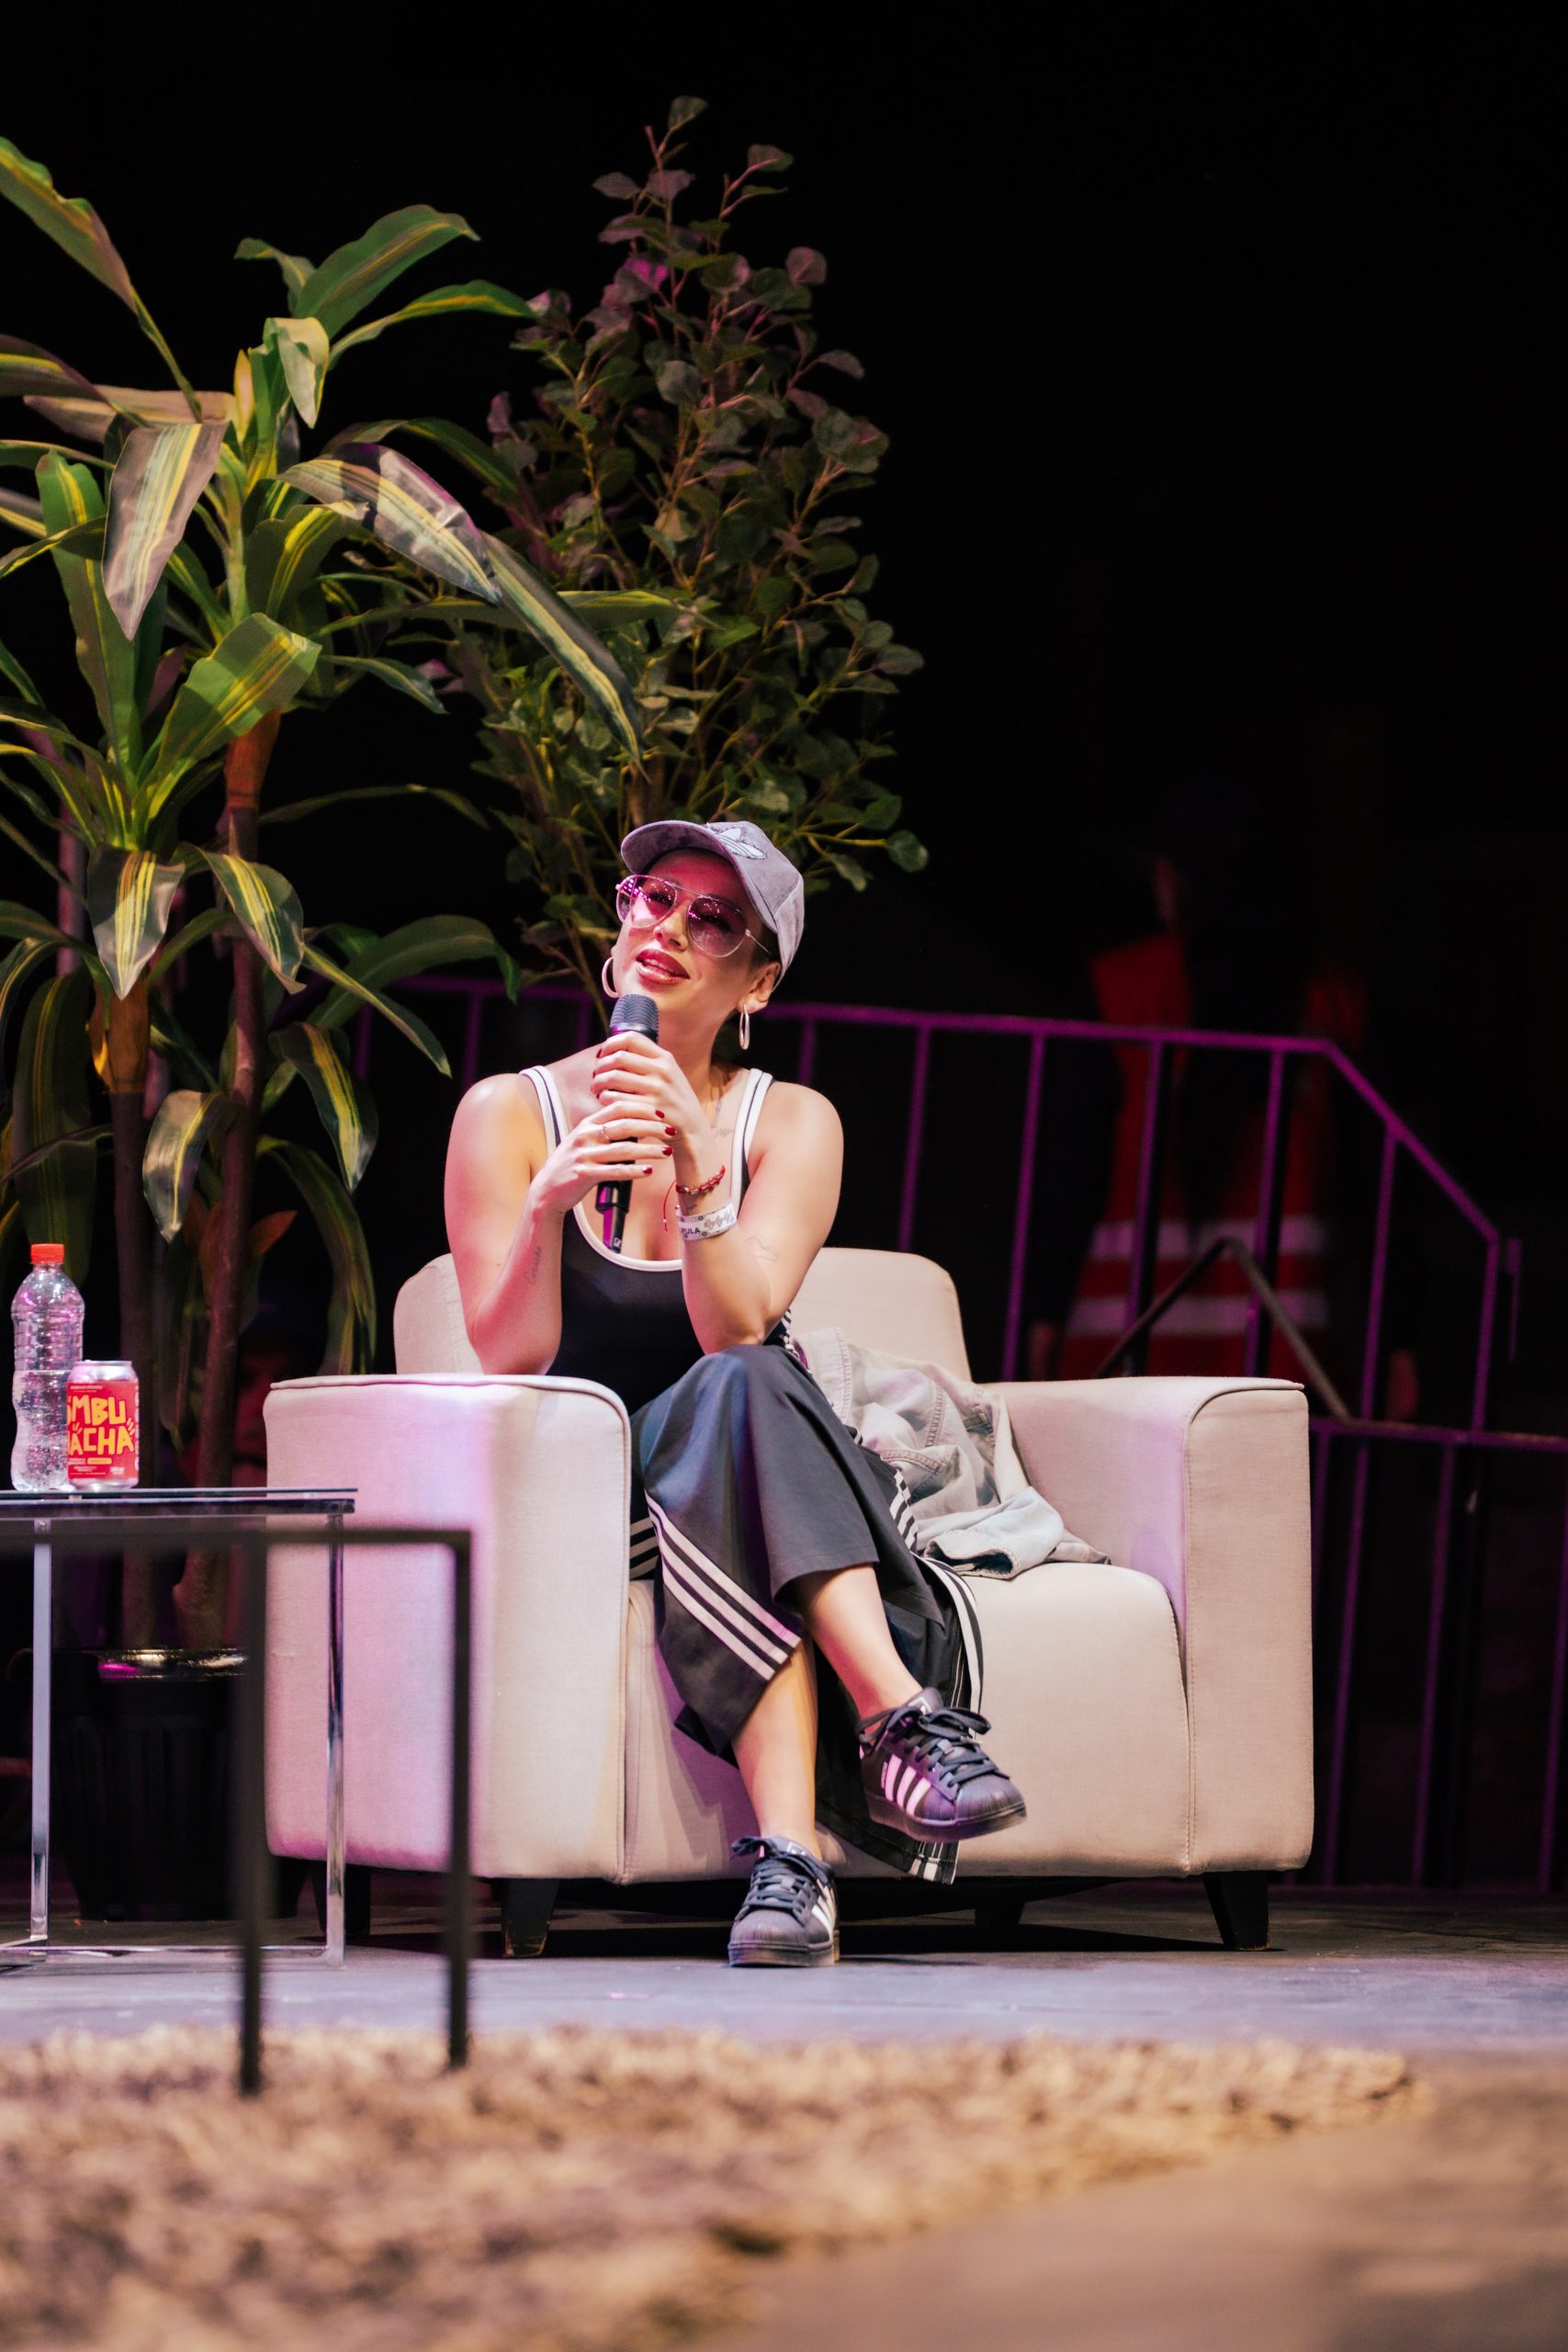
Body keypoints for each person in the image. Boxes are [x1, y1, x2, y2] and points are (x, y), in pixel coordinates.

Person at [446, 819, 1024, 1967]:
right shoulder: (507, 1114)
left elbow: (736, 1327)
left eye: (711, 919)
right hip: (597, 1493)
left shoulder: (791, 1122)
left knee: (743, 1384)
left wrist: (700, 1165)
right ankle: (902, 1721)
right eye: (652, 897)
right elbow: (509, 1354)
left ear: (757, 983)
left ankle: (791, 1871)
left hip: (740, 1486)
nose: (666, 927)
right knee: (741, 1404)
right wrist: (550, 1202)